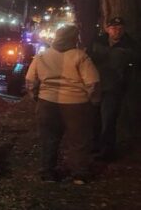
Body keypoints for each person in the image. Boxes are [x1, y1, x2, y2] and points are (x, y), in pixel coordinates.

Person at [25, 25, 100, 184]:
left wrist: (35, 96)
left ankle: (47, 172)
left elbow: (30, 80)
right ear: (74, 38)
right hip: (76, 104)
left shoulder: (42, 56)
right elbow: (93, 83)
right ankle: (79, 174)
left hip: (47, 103)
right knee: (78, 140)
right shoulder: (80, 56)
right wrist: (93, 100)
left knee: (49, 139)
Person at [87, 17, 139, 160]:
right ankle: (94, 145)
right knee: (94, 118)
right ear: (107, 29)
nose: (117, 31)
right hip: (96, 85)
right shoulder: (98, 41)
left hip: (114, 88)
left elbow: (133, 67)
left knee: (108, 120)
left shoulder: (130, 45)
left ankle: (106, 152)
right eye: (114, 28)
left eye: (120, 28)